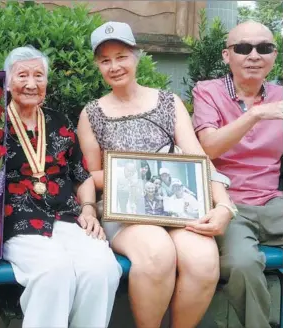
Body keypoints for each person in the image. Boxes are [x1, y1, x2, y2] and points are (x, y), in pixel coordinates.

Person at [0, 46, 121, 328]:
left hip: (67, 218)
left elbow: (82, 175)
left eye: (39, 76)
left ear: (46, 82)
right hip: (15, 221)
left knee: (102, 269)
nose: (31, 84)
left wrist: (89, 209)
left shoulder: (60, 122)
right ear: (7, 81)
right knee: (54, 271)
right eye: (22, 76)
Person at [78, 21, 236, 328]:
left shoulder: (169, 102)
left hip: (177, 206)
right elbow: (90, 175)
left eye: (121, 56)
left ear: (136, 56)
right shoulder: (92, 113)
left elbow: (198, 159)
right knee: (156, 252)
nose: (114, 66)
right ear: (98, 65)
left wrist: (223, 207)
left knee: (203, 260)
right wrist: (133, 175)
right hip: (125, 213)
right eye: (105, 60)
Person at [192, 21, 283, 328]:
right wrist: (256, 113)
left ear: (274, 54)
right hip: (229, 206)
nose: (254, 55)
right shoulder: (208, 92)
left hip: (273, 203)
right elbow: (209, 148)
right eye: (243, 48)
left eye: (264, 48)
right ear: (226, 56)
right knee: (242, 264)